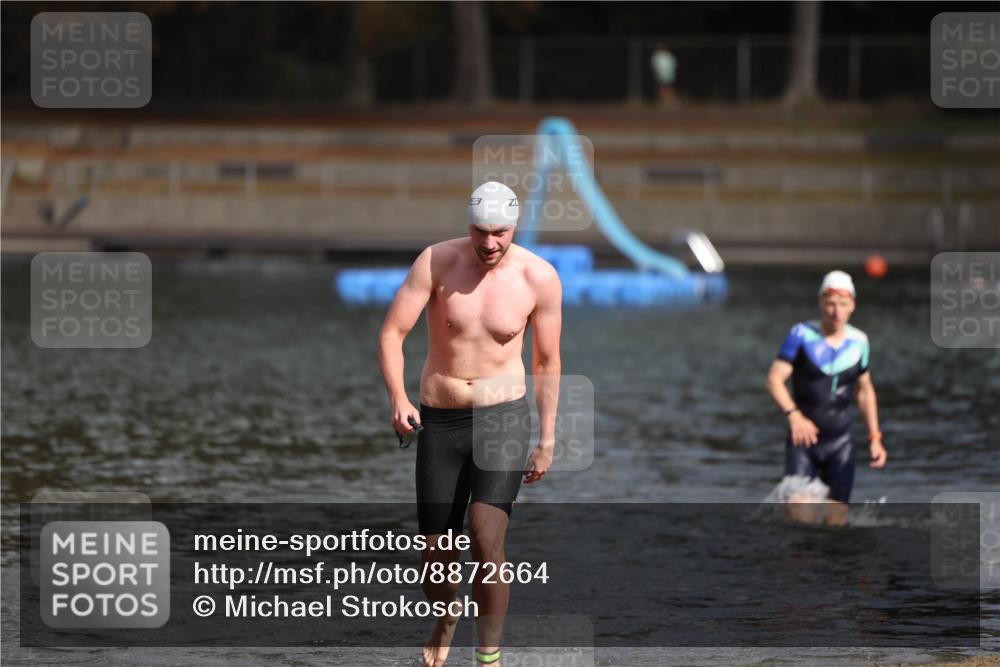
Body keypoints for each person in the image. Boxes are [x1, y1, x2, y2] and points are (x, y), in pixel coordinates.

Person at [378, 181, 562, 667]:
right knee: (436, 552)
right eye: (480, 231)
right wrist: (398, 398)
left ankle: (488, 655)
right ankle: (445, 616)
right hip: (440, 422)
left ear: (514, 227)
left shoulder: (539, 277)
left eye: (499, 233)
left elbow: (547, 361)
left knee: (486, 536)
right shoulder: (436, 262)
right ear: (468, 225)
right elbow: (393, 333)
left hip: (503, 420)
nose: (489, 243)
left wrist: (547, 438)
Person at [765, 270, 887, 526]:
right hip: (804, 441)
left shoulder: (859, 342)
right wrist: (794, 416)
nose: (836, 312)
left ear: (852, 305)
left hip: (840, 443)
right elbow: (775, 380)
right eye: (830, 304)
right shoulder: (801, 335)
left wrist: (875, 437)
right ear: (821, 303)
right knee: (798, 516)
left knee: (835, 525)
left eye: (843, 305)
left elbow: (865, 390)